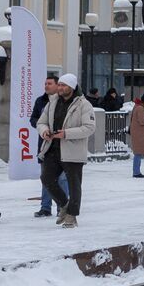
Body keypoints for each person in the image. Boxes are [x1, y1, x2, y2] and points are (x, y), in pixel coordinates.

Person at [37, 74, 97, 227]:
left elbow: (89, 128)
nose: (60, 88)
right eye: (60, 85)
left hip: (73, 150)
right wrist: (44, 131)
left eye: (64, 85)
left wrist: (66, 133)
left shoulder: (84, 104)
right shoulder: (53, 102)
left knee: (74, 184)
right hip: (53, 149)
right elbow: (41, 122)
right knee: (47, 178)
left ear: (72, 87)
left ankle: (72, 215)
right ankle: (64, 205)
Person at [31, 75, 68, 217]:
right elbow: (34, 119)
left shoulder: (64, 101)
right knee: (46, 177)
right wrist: (42, 128)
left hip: (61, 146)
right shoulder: (40, 101)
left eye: (50, 83)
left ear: (58, 85)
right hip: (45, 145)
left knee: (62, 178)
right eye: (45, 83)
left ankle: (62, 206)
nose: (46, 86)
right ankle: (45, 207)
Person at [127, 95, 144, 178]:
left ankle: (137, 171)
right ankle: (136, 172)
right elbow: (142, 121)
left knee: (138, 153)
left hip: (137, 133)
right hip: (139, 134)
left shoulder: (137, 107)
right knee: (138, 153)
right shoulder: (140, 108)